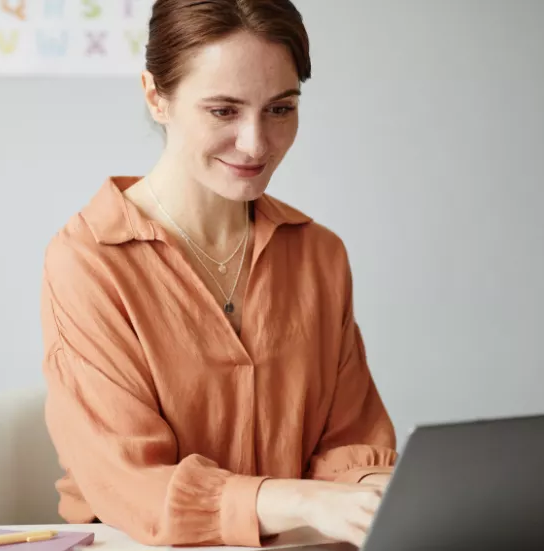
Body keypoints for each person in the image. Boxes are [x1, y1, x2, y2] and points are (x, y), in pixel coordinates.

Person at [38, 0, 397, 547]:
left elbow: (348, 444)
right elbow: (130, 483)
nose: (256, 144)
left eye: (280, 109)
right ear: (156, 97)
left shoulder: (319, 255)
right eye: (224, 111)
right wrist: (301, 499)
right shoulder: (88, 261)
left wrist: (377, 490)